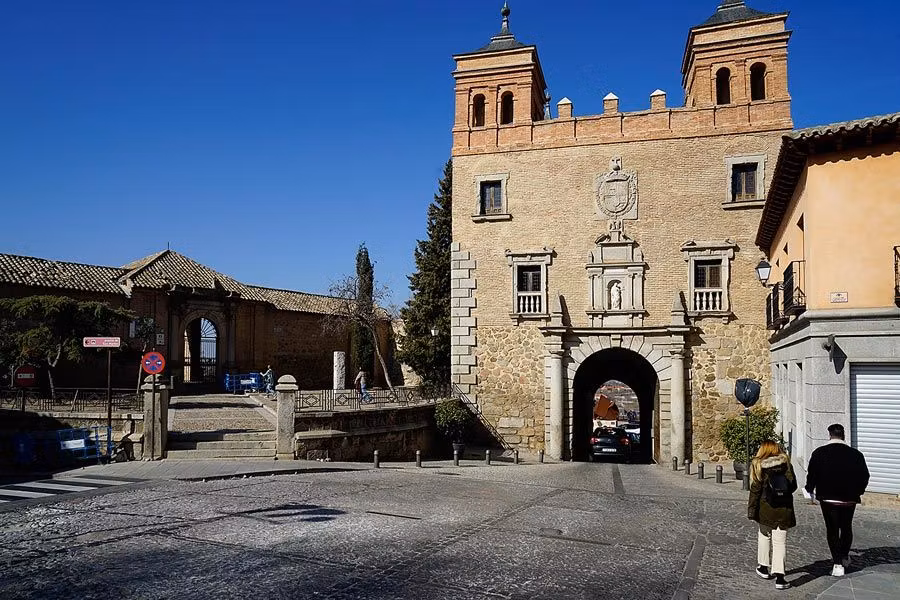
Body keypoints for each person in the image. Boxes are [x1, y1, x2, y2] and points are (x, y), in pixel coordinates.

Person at [804, 423, 869, 577]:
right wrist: (858, 491)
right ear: (843, 435)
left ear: (830, 435)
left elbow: (812, 474)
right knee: (846, 527)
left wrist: (809, 488)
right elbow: (864, 476)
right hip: (849, 499)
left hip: (828, 498)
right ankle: (845, 555)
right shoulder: (856, 455)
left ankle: (837, 563)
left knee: (832, 530)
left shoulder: (819, 453)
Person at [747, 440, 797, 591]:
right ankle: (780, 578)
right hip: (784, 509)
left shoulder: (758, 465)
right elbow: (793, 486)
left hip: (765, 508)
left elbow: (755, 490)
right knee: (780, 541)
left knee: (764, 536)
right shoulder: (786, 464)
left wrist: (751, 511)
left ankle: (763, 567)